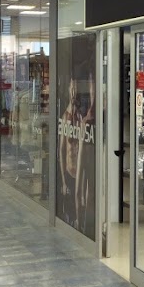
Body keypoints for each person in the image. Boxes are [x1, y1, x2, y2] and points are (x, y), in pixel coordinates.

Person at [58, 75, 81, 228]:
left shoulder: (80, 117)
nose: (73, 92)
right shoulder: (65, 117)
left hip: (79, 173)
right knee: (69, 210)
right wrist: (63, 181)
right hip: (68, 171)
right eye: (72, 89)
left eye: (76, 89)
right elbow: (61, 151)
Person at [75, 67, 96, 239]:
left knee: (90, 189)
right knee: (83, 187)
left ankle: (87, 227)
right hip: (88, 135)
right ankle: (83, 226)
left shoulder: (90, 115)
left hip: (92, 137)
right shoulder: (85, 116)